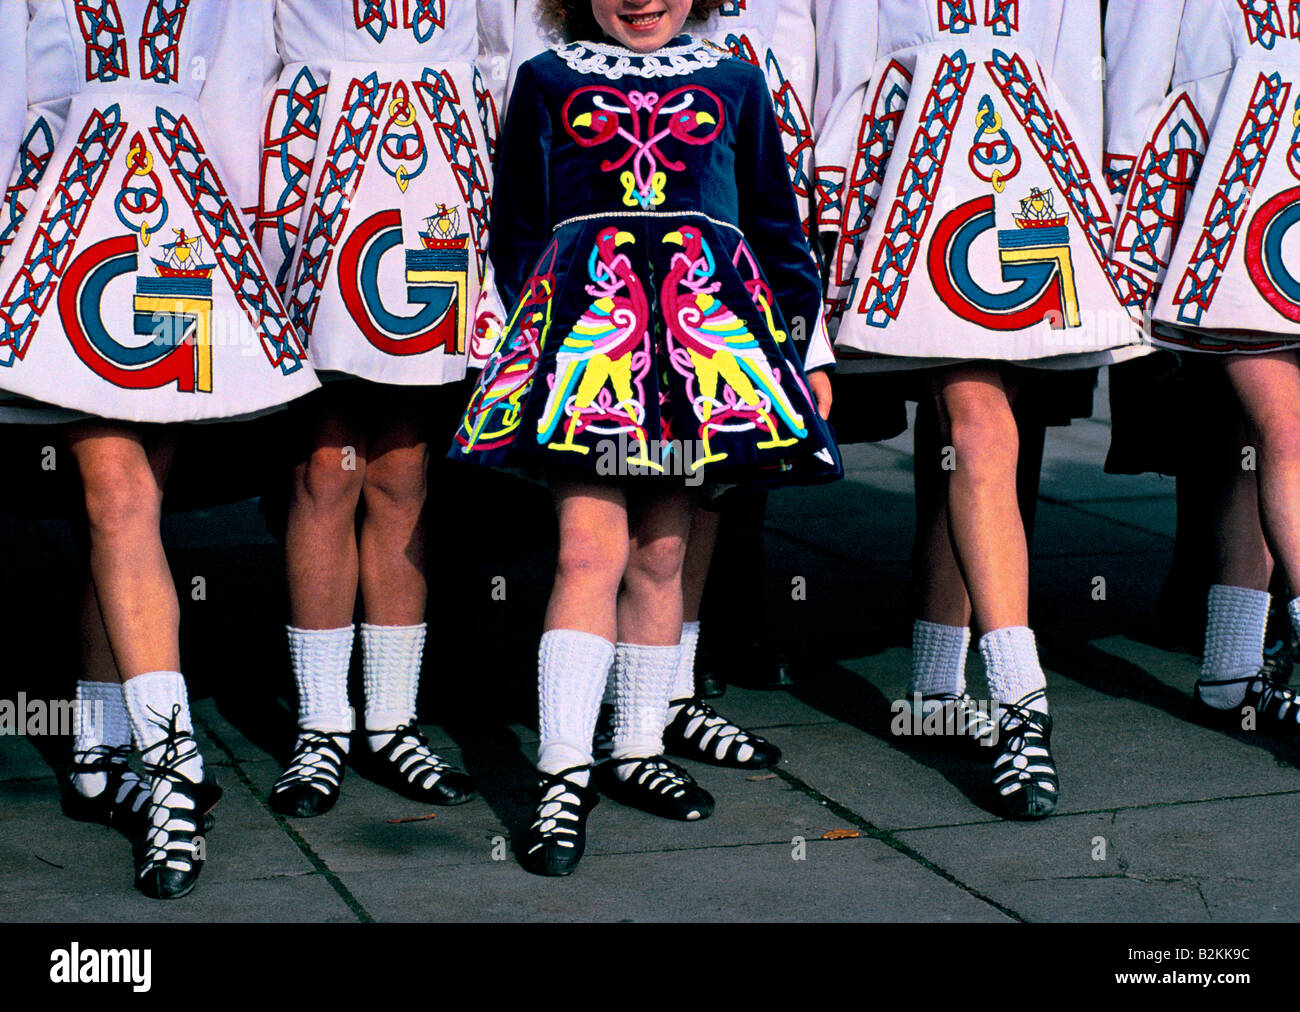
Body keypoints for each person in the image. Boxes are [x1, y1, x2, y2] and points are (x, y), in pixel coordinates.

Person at [451, 0, 840, 875]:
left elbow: (777, 228)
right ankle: (560, 772)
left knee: (664, 551)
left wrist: (802, 350)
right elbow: (516, 228)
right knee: (590, 550)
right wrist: (529, 344)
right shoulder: (546, 78)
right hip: (592, 351)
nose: (641, 0)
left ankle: (636, 746)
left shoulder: (737, 81)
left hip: (703, 352)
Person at [0, 0, 320, 898]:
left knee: (129, 511)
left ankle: (102, 751)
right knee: (119, 497)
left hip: (190, 225)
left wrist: (258, 248)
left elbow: (238, 90)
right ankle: (175, 770)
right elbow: (8, 87)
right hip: (60, 222)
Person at [817, 0, 1148, 818]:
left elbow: (1072, 63)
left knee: (972, 446)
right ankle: (1021, 704)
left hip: (1030, 172)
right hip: (909, 167)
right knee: (980, 430)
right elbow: (839, 56)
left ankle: (936, 681)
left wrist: (1099, 203)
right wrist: (832, 200)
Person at [255, 0, 512, 818]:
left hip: (445, 166)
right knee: (325, 468)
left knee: (403, 465)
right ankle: (322, 723)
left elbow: (506, 44)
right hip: (313, 172)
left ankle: (393, 719)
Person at [1107, 0, 1300, 734]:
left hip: (1248, 168)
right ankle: (1233, 666)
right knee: (1275, 431)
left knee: (1254, 442)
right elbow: (1139, 54)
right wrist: (1127, 188)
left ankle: (1229, 672)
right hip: (1233, 174)